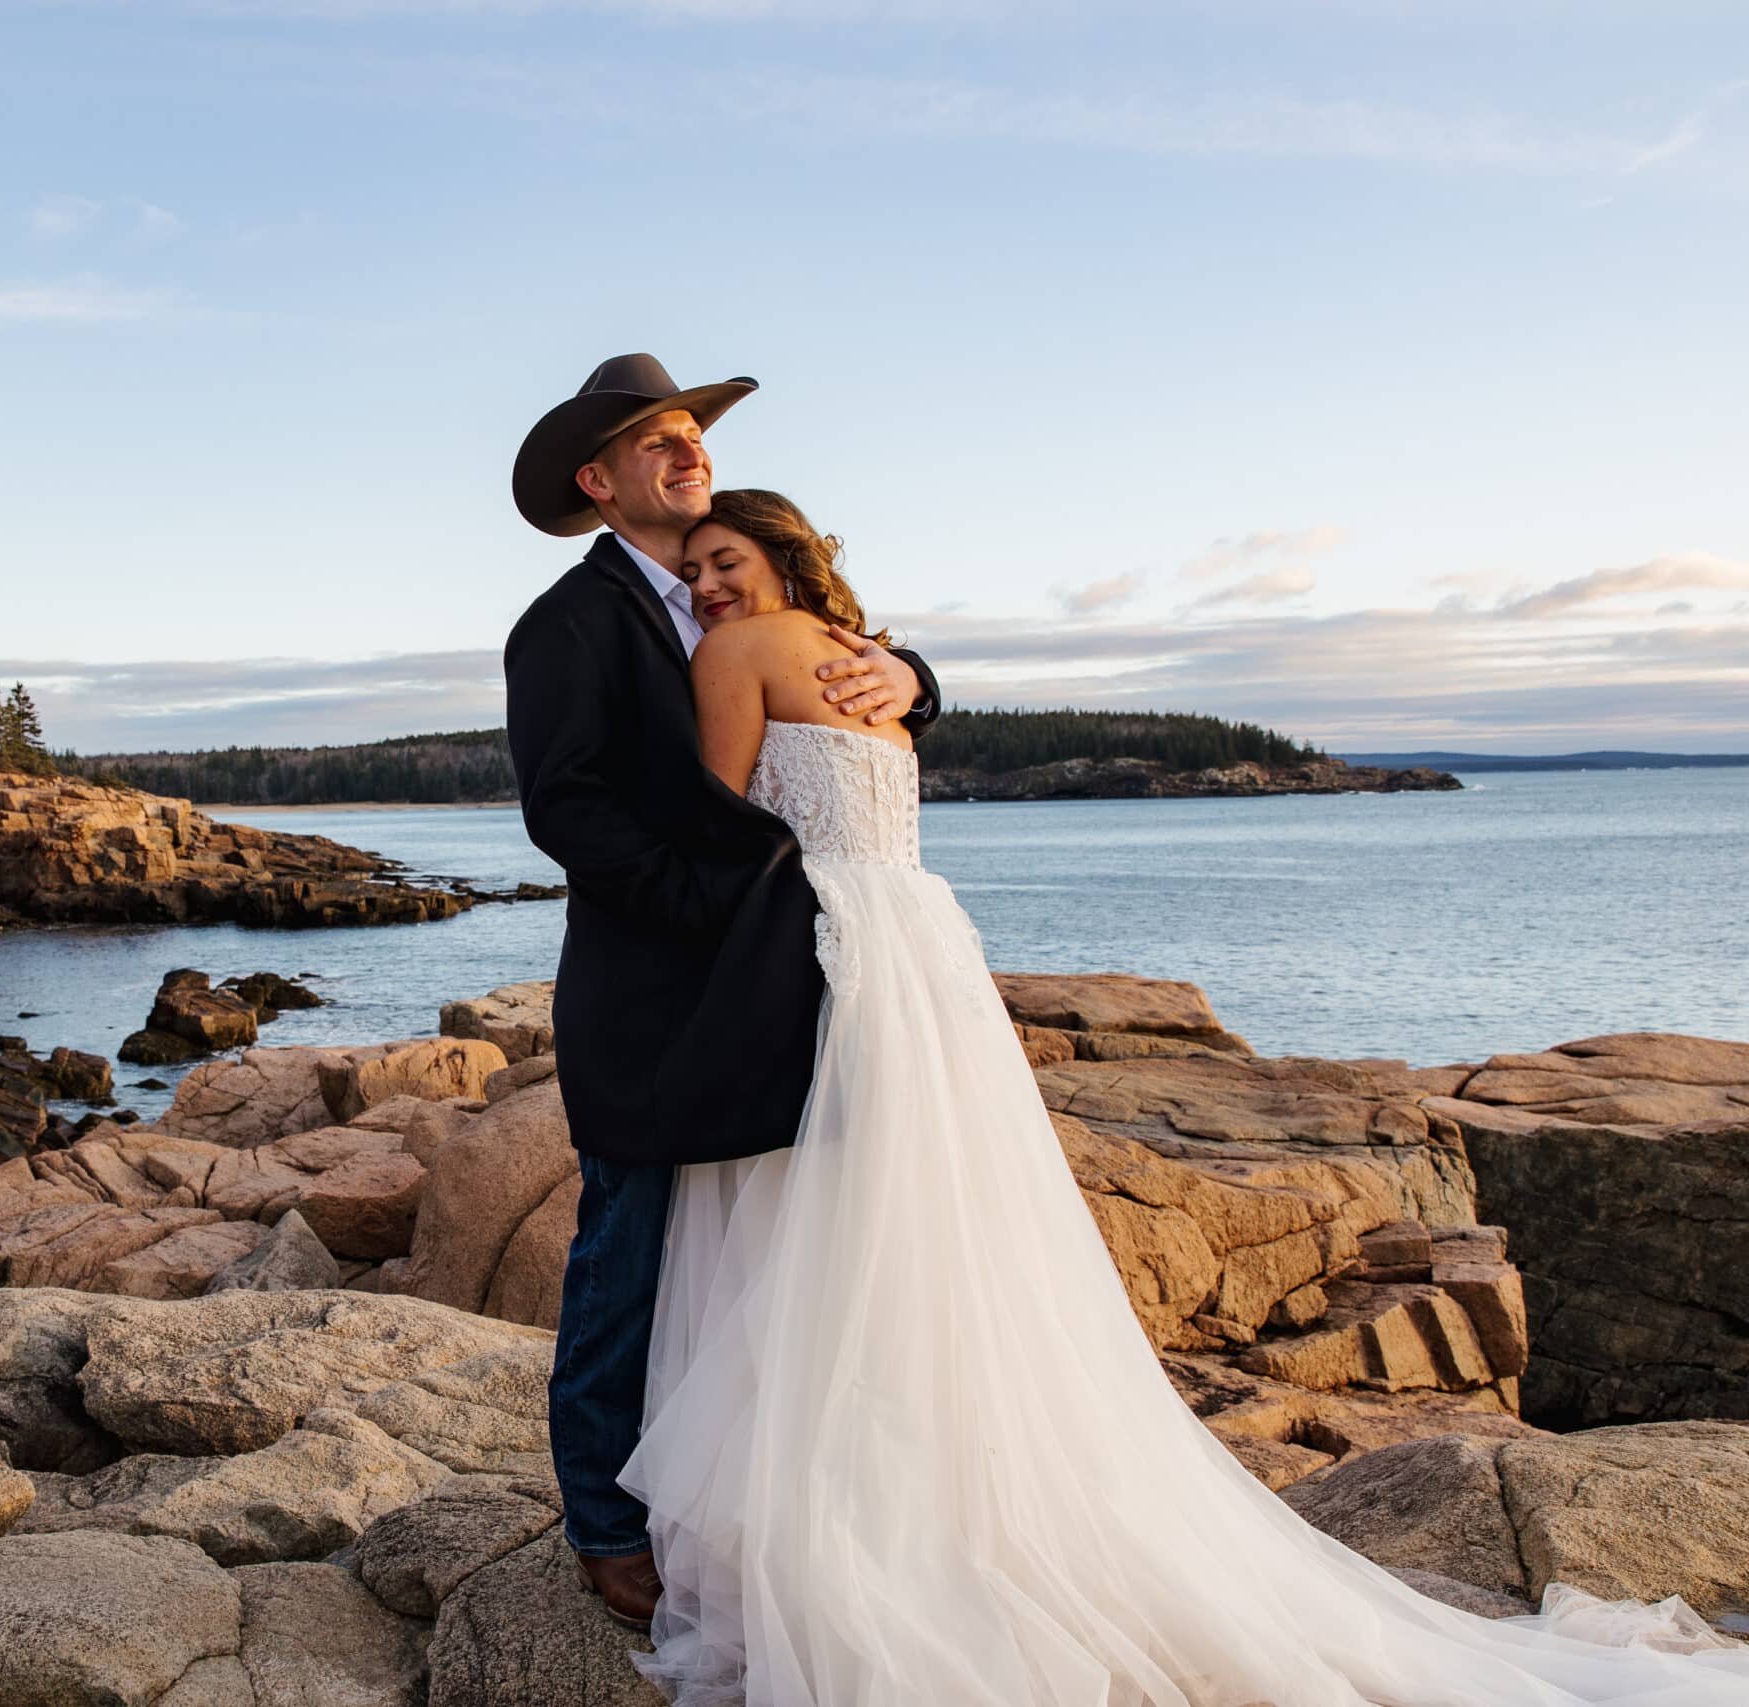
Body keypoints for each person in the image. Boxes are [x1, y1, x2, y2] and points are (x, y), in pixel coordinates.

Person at [618, 487, 1749, 1705]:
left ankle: (842, 1529)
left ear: (780, 558)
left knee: (817, 1229)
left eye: (725, 560)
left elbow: (714, 826)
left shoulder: (741, 650)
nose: (710, 588)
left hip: (827, 954)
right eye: (696, 575)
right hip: (920, 956)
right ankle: (935, 1509)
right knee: (923, 1239)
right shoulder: (864, 663)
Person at [503, 355, 941, 1630]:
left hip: (791, 987)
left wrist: (912, 674)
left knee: (779, 1251)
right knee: (627, 1252)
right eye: (655, 440)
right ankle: (603, 1521)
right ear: (599, 482)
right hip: (652, 994)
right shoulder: (568, 626)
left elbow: (836, 697)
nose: (685, 452)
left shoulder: (739, 591)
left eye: (690, 432)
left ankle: (772, 1496)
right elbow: (568, 809)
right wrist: (719, 900)